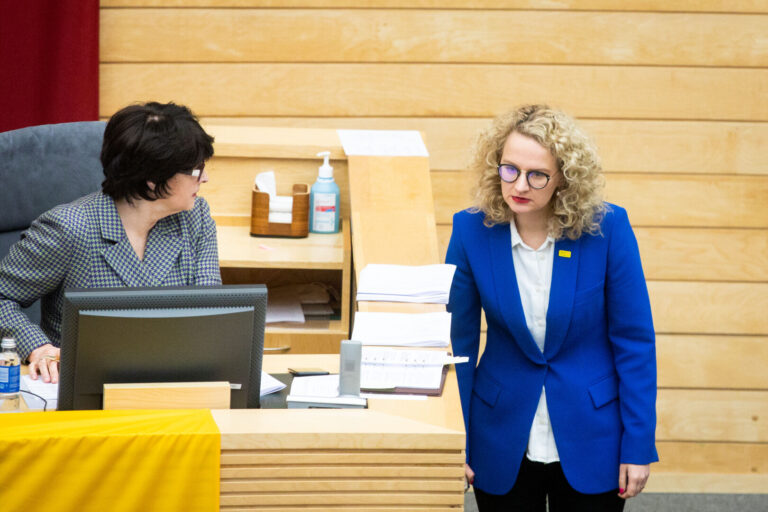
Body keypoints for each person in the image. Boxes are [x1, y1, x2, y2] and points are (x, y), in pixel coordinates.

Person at [446, 105, 657, 511]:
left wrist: (638, 444)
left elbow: (634, 343)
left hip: (592, 435)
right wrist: (457, 442)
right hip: (500, 433)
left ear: (564, 178)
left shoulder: (606, 228)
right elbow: (458, 347)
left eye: (537, 175)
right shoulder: (471, 230)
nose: (519, 185)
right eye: (510, 169)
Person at [0, 102, 222, 384]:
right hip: (84, 384)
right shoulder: (70, 228)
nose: (205, 178)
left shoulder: (195, 218)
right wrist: (36, 346)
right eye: (195, 170)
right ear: (153, 179)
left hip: (174, 380)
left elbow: (210, 310)